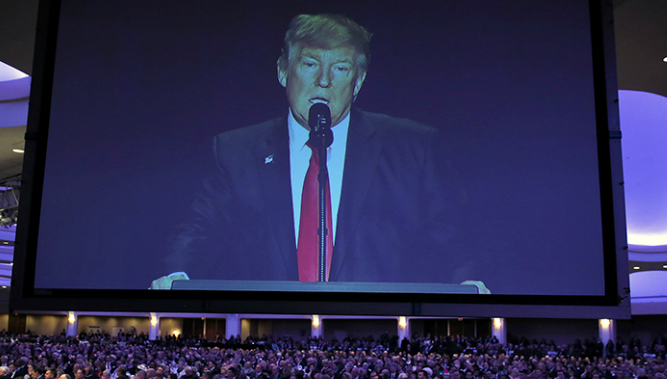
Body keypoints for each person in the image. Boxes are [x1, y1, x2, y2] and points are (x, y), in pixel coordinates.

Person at [154, 13, 485, 290]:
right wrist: (176, 277)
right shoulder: (234, 151)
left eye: (340, 68)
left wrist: (470, 284)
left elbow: (454, 241)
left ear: (358, 81)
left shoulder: (414, 148)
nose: (323, 80)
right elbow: (198, 232)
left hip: (375, 332)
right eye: (310, 63)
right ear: (283, 70)